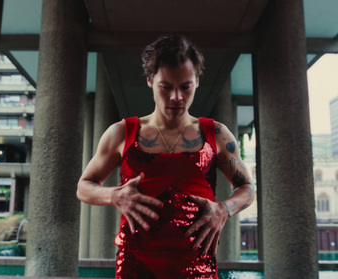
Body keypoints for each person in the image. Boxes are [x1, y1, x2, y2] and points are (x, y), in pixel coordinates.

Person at [77, 35, 254, 279]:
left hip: (198, 267)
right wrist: (114, 195)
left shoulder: (217, 134)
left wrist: (224, 209)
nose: (176, 97)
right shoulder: (122, 133)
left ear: (197, 82)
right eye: (166, 86)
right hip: (135, 266)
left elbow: (247, 187)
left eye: (185, 86)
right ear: (150, 80)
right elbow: (83, 186)